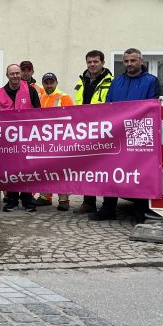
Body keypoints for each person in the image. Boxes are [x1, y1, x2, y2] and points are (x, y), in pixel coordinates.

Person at [91, 48, 162, 225]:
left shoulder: (151, 81)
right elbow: (109, 105)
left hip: (139, 132)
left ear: (141, 61)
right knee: (112, 170)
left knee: (139, 172)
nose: (129, 64)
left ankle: (140, 211)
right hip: (117, 132)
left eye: (133, 61)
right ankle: (108, 208)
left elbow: (152, 106)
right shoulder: (117, 82)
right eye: (126, 61)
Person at [0, 63, 41, 212]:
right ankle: (12, 200)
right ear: (7, 76)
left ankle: (27, 200)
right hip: (8, 141)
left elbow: (39, 113)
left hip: (27, 139)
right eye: (12, 73)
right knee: (11, 170)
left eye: (17, 73)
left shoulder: (31, 90)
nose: (15, 76)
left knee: (27, 170)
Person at [72, 50, 113, 214]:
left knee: (104, 166)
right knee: (86, 166)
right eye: (89, 62)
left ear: (102, 63)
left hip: (104, 129)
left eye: (95, 62)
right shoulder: (82, 81)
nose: (92, 65)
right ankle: (88, 201)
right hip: (85, 129)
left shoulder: (111, 82)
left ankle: (107, 203)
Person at [35, 72, 74, 210]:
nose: (49, 85)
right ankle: (45, 196)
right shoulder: (39, 97)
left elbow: (73, 119)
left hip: (61, 140)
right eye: (46, 82)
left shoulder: (64, 97)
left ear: (56, 83)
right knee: (45, 168)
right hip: (43, 140)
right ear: (43, 83)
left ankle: (64, 200)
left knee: (62, 170)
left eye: (51, 82)